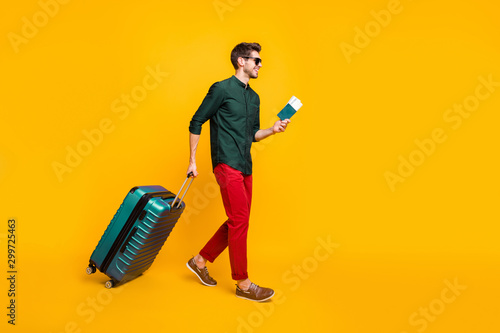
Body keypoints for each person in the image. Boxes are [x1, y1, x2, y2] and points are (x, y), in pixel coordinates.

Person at [185, 42, 291, 302]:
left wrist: (272, 129)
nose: (260, 65)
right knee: (240, 220)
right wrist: (192, 161)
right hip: (226, 163)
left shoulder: (254, 97)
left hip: (245, 165)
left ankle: (199, 261)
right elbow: (196, 120)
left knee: (238, 220)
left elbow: (253, 134)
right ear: (241, 61)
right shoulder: (221, 89)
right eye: (256, 60)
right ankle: (243, 284)